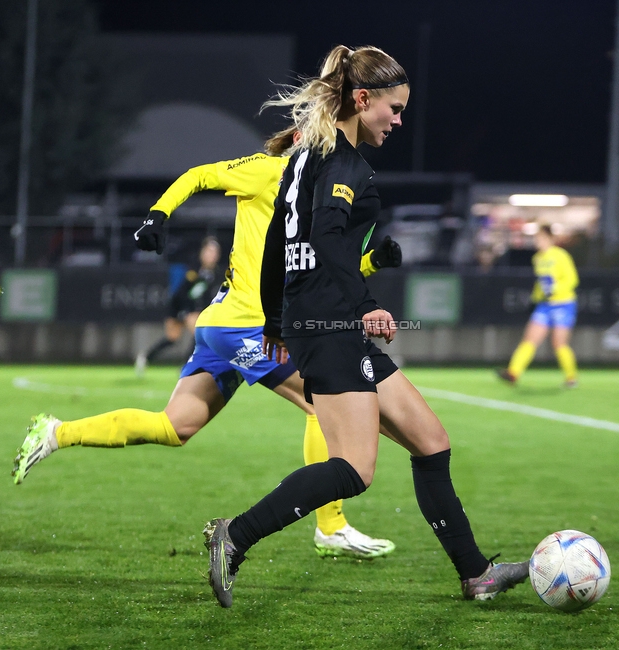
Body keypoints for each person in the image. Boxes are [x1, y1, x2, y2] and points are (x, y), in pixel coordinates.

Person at [203, 45, 529, 609]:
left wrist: (277, 319)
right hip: (331, 327)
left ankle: (476, 574)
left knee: (431, 444)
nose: (398, 121)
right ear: (362, 99)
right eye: (394, 109)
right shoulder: (343, 166)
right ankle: (234, 535)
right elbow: (327, 238)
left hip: (315, 322)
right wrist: (362, 305)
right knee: (354, 467)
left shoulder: (308, 155)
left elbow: (280, 243)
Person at [13, 143, 403, 559]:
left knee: (174, 427)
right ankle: (331, 526)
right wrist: (158, 215)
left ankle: (54, 432)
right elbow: (199, 174)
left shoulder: (313, 193)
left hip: (227, 326)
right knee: (319, 401)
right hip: (243, 324)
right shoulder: (271, 170)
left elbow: (312, 268)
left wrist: (371, 262)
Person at [496, 225, 579, 387]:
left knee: (559, 343)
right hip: (545, 305)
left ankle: (571, 377)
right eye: (536, 239)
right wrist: (537, 297)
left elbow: (572, 279)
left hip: (563, 304)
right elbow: (542, 284)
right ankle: (513, 373)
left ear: (550, 238)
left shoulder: (561, 256)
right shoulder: (538, 258)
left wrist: (556, 289)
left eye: (540, 238)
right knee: (530, 339)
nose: (537, 242)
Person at [134, 237, 222, 377]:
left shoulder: (216, 274)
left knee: (198, 332)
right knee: (172, 338)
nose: (211, 255)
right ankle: (145, 357)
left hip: (194, 310)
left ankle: (186, 365)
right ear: (202, 253)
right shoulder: (193, 269)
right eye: (208, 252)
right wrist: (184, 310)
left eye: (214, 252)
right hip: (178, 306)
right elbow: (181, 293)